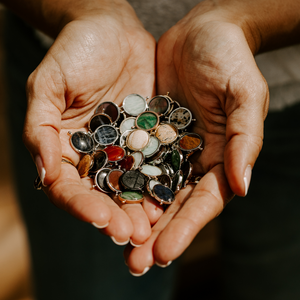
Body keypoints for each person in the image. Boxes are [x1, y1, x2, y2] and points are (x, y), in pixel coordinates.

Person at [2, 0, 300, 298]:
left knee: (277, 279)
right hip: (75, 83)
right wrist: (84, 10)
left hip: (287, 98)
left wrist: (246, 19)